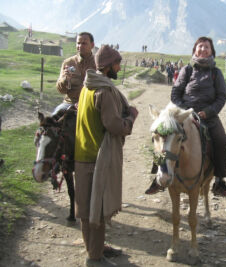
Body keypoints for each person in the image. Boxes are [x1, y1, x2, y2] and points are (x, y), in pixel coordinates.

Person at [74, 45, 138, 267]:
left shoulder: (86, 88)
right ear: (108, 66)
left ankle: (93, 249)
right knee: (98, 211)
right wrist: (131, 118)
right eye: (117, 63)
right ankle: (94, 259)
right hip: (97, 159)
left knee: (84, 210)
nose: (119, 67)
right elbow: (115, 126)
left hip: (81, 156)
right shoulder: (105, 91)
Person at [145, 36, 226, 197]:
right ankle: (156, 176)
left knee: (221, 141)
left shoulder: (216, 73)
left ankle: (219, 181)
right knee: (162, 134)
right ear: (195, 50)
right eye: (200, 46)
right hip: (183, 113)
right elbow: (175, 93)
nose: (203, 49)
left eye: (207, 47)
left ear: (211, 51)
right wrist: (186, 110)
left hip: (208, 115)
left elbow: (221, 97)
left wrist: (208, 112)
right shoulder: (187, 70)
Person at [53, 32, 96, 116]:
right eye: (78, 43)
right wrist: (65, 79)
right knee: (51, 122)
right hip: (70, 104)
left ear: (92, 45)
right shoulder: (68, 63)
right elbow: (61, 90)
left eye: (84, 43)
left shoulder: (98, 63)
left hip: (92, 104)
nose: (80, 46)